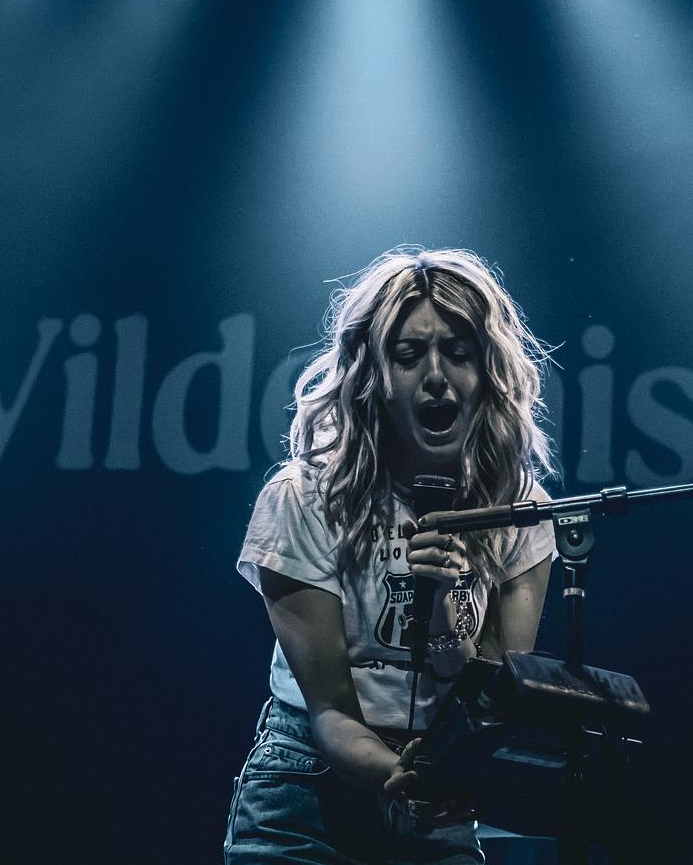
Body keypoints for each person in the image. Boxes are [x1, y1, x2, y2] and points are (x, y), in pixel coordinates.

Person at [225, 247, 558, 864]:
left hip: (438, 787)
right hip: (310, 783)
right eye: (408, 356)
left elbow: (492, 699)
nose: (436, 376)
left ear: (489, 369)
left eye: (458, 352)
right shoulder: (305, 497)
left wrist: (446, 610)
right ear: (374, 375)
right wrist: (399, 774)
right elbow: (330, 710)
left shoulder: (520, 509)